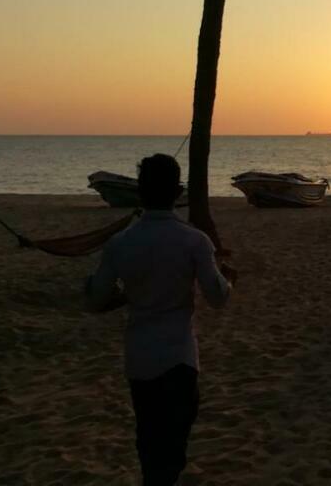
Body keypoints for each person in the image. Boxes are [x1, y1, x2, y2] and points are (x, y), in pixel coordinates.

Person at [86, 153, 236, 486]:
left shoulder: (120, 243)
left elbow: (95, 299)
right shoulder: (194, 241)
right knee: (173, 447)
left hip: (139, 358)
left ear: (140, 192)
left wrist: (125, 294)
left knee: (149, 441)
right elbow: (217, 298)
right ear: (178, 192)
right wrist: (229, 281)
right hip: (179, 358)